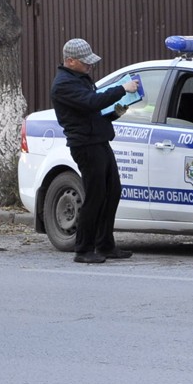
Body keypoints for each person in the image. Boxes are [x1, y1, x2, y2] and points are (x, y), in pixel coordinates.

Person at [50, 38, 140, 264]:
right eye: (85, 62)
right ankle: (83, 249)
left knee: (112, 191)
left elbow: (95, 112)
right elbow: (92, 103)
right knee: (95, 195)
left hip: (99, 141)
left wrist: (117, 111)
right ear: (70, 61)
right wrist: (122, 89)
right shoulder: (63, 84)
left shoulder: (79, 78)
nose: (90, 66)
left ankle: (105, 244)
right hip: (85, 146)